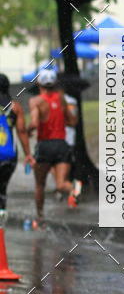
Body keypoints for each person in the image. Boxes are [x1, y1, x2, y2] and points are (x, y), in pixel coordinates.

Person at [28, 69, 80, 224]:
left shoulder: (36, 101)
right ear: (55, 83)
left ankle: (40, 217)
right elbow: (72, 121)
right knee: (61, 184)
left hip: (45, 145)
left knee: (40, 184)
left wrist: (28, 130)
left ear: (39, 83)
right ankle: (74, 188)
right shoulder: (62, 99)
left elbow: (35, 123)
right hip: (62, 145)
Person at [0, 74, 35, 213]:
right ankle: (1, 225)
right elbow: (21, 132)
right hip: (9, 157)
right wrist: (28, 155)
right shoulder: (15, 107)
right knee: (2, 190)